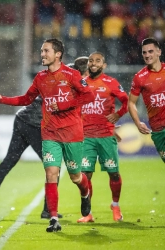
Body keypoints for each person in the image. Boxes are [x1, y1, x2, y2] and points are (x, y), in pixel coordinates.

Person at [0, 38, 95, 232]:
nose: (42, 54)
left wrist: (63, 104)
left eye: (46, 51)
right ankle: (53, 218)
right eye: (41, 51)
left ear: (58, 54)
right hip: (49, 133)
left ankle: (85, 194)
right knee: (51, 173)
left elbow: (88, 96)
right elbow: (25, 99)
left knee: (75, 177)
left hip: (72, 133)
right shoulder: (40, 77)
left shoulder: (71, 75)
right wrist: (1, 99)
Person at [0, 96, 63, 220]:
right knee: (53, 167)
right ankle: (48, 210)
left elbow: (26, 98)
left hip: (21, 119)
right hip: (36, 125)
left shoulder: (45, 81)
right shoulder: (63, 85)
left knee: (7, 163)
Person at [77, 52, 128, 223]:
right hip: (86, 137)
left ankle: (115, 205)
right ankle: (88, 212)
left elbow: (127, 102)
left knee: (113, 173)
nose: (93, 63)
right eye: (91, 61)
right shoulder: (81, 84)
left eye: (98, 61)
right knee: (85, 174)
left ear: (103, 65)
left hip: (106, 135)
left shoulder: (111, 83)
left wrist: (118, 115)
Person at [128, 37, 165, 162]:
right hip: (158, 130)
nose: (147, 55)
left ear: (159, 52)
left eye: (150, 51)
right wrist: (138, 123)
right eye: (144, 52)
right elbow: (131, 102)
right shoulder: (139, 77)